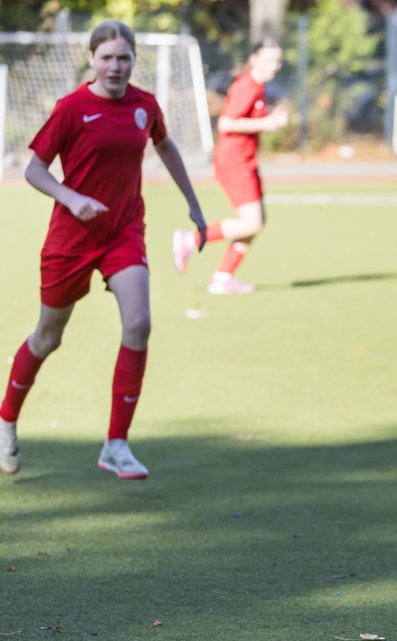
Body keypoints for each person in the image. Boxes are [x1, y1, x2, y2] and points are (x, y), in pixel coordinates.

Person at [0, 20, 206, 479]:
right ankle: (6, 419)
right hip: (71, 239)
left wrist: (193, 203)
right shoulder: (71, 109)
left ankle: (116, 444)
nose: (115, 66)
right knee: (48, 337)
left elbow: (166, 146)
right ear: (92, 59)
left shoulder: (144, 106)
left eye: (124, 58)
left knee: (139, 324)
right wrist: (71, 198)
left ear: (134, 60)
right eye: (107, 57)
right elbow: (34, 170)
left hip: (123, 231)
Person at [173, 39, 288, 294]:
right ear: (254, 59)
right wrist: (267, 123)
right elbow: (226, 123)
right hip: (234, 162)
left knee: (257, 220)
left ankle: (223, 277)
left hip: (246, 160)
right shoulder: (247, 85)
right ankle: (190, 240)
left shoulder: (258, 86)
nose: (275, 66)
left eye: (277, 60)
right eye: (269, 60)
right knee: (252, 222)